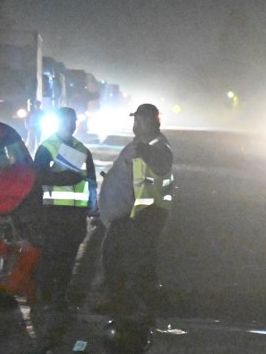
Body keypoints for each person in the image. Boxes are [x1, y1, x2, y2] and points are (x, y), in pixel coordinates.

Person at [98, 103, 174, 317]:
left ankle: (129, 304)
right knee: (125, 259)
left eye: (141, 120)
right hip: (131, 214)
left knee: (123, 259)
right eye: (135, 119)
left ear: (153, 121)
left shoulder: (156, 147)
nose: (136, 124)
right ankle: (131, 301)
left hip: (141, 215)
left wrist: (145, 151)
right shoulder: (141, 144)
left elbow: (161, 164)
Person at [32, 107, 99, 314]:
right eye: (67, 121)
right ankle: (43, 297)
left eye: (73, 121)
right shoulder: (47, 148)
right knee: (50, 258)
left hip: (76, 216)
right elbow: (37, 179)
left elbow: (91, 181)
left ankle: (59, 299)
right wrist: (63, 179)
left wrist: (93, 207)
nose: (71, 125)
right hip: (53, 214)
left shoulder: (81, 149)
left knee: (68, 260)